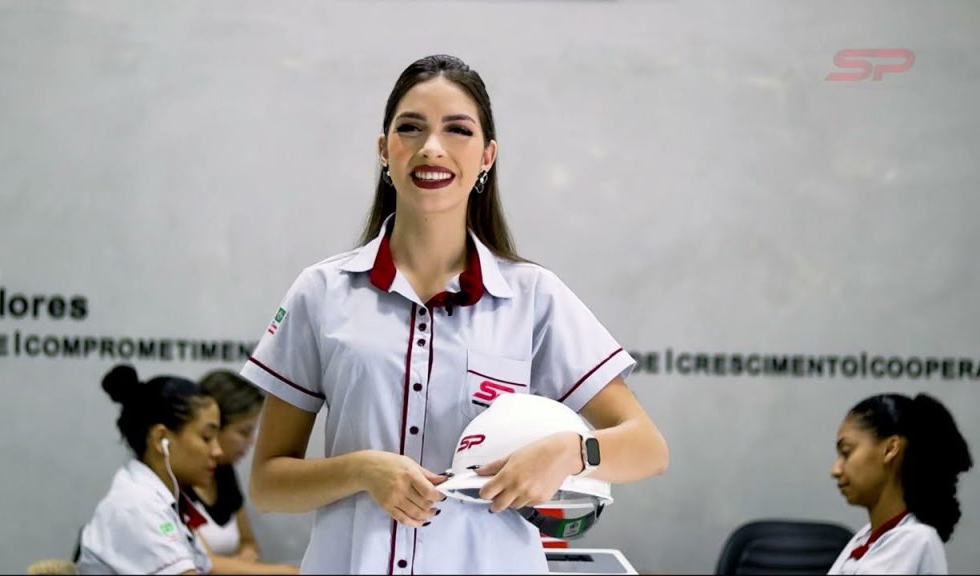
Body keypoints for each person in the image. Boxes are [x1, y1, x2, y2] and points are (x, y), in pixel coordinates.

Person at [240, 54, 669, 574]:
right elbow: (267, 485)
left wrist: (570, 451)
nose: (432, 148)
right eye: (411, 128)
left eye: (457, 130)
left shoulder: (533, 297)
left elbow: (647, 448)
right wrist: (361, 470)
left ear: (487, 155)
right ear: (384, 150)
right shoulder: (322, 292)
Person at [76, 365, 220, 575]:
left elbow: (205, 567)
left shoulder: (160, 498)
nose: (218, 451)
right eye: (207, 437)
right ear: (162, 439)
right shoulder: (137, 506)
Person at [828, 393, 973, 575]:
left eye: (846, 452)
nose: (835, 470)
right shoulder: (867, 536)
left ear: (890, 449)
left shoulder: (916, 540)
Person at [190, 370, 299, 574]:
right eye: (244, 432)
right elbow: (202, 562)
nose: (252, 441)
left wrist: (247, 556)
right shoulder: (176, 481)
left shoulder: (224, 472)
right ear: (212, 428)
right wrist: (287, 572)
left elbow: (248, 541)